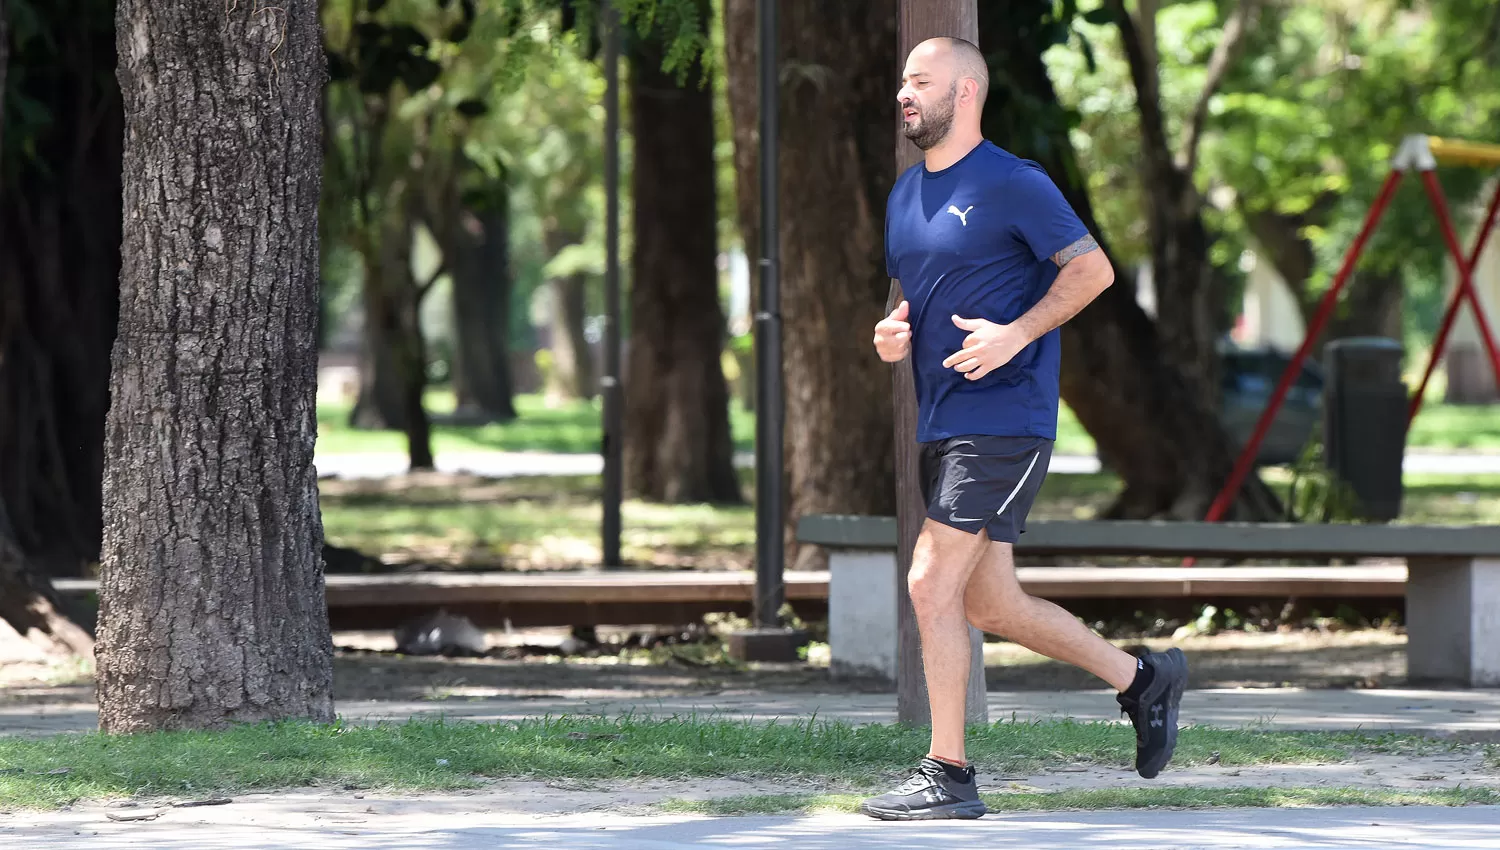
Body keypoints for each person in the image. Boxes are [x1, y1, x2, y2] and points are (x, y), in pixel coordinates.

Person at [858, 36, 1189, 822]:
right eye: (902, 82)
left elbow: (1092, 269)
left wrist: (1017, 332)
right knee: (992, 605)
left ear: (965, 92)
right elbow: (907, 301)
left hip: (1005, 418)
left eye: (920, 82)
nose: (904, 94)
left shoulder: (1015, 182)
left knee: (929, 582)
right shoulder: (906, 192)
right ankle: (1144, 679)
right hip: (944, 419)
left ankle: (949, 773)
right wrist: (888, 336)